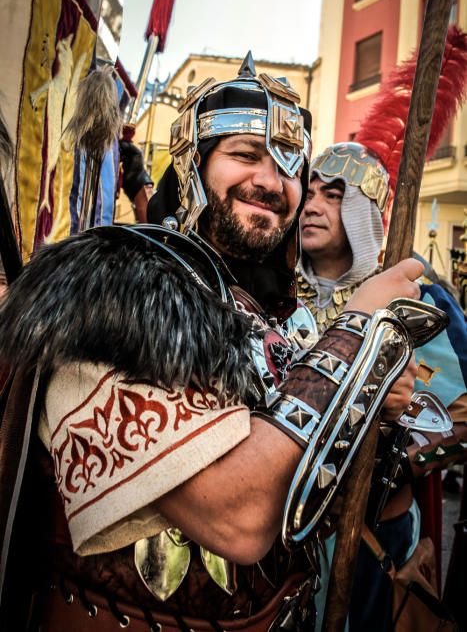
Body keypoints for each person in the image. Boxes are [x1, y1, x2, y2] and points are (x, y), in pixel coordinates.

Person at [0, 57, 432, 632]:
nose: (271, 182)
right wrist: (355, 336)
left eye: (287, 165)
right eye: (245, 155)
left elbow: (312, 499)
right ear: (193, 162)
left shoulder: (285, 316)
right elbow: (240, 517)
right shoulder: (120, 287)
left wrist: (378, 407)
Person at [298, 141, 467, 629]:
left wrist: (392, 463)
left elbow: (463, 413)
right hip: (292, 541)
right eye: (308, 193)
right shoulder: (275, 293)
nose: (311, 205)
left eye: (332, 195)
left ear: (362, 211)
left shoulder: (415, 297)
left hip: (378, 535)